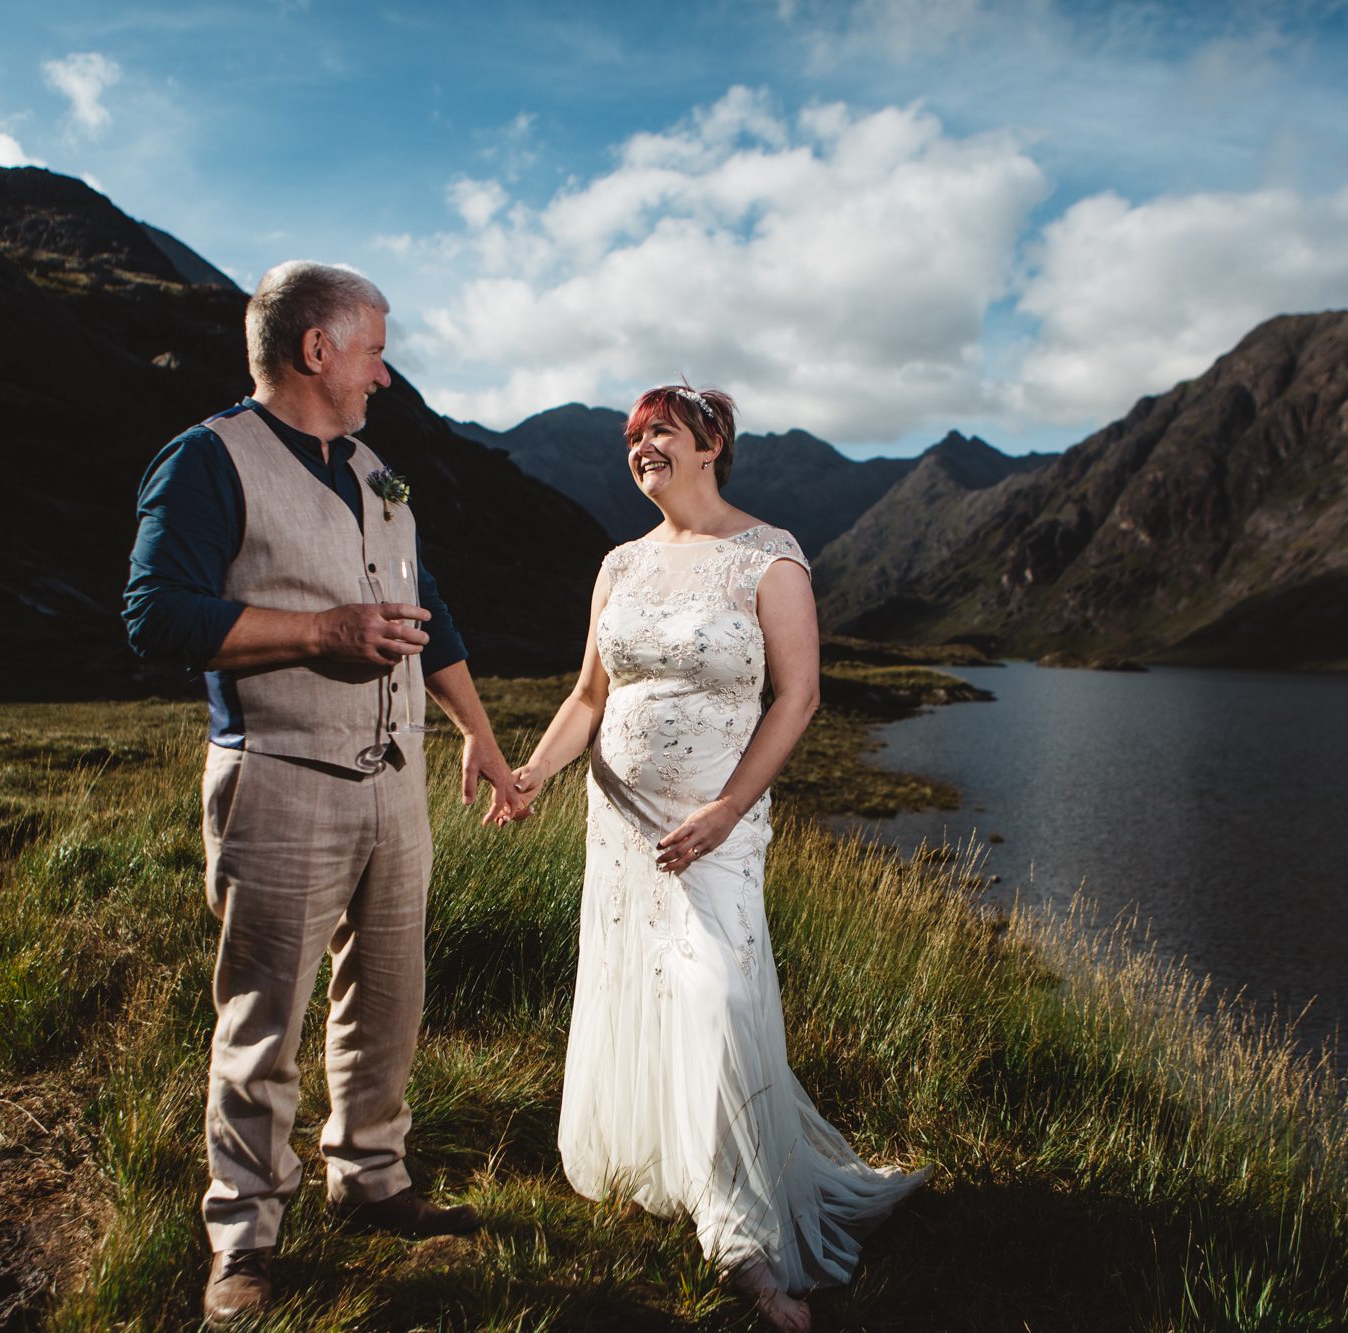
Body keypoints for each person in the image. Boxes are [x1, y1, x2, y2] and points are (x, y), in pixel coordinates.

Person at [122, 261, 523, 1324]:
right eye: (374, 350)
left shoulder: (380, 473)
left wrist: (477, 737)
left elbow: (424, 609)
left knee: (389, 994)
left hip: (395, 788)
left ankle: (370, 1174)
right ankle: (243, 1235)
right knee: (263, 1020)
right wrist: (318, 632)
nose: (383, 375)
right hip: (278, 779)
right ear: (316, 351)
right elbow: (155, 615)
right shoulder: (207, 460)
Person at [507, 384, 929, 1331]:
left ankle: (744, 1237)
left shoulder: (767, 557)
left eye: (658, 430)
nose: (641, 446)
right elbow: (586, 695)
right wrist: (533, 770)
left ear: (711, 443)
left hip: (716, 828)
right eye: (632, 436)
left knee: (718, 997)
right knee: (638, 986)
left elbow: (800, 696)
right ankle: (668, 1165)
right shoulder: (617, 564)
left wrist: (731, 807)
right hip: (618, 824)